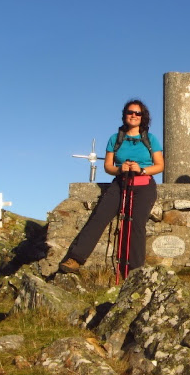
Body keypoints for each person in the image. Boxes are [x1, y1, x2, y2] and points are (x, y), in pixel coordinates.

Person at [60, 99, 164, 276]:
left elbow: (160, 165)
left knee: (136, 225)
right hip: (120, 182)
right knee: (99, 217)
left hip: (144, 185)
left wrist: (142, 169)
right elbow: (108, 166)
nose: (133, 116)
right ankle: (76, 258)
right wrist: (119, 168)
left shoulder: (150, 139)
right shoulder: (115, 139)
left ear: (143, 117)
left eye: (137, 113)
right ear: (124, 115)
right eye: (130, 112)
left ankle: (135, 271)